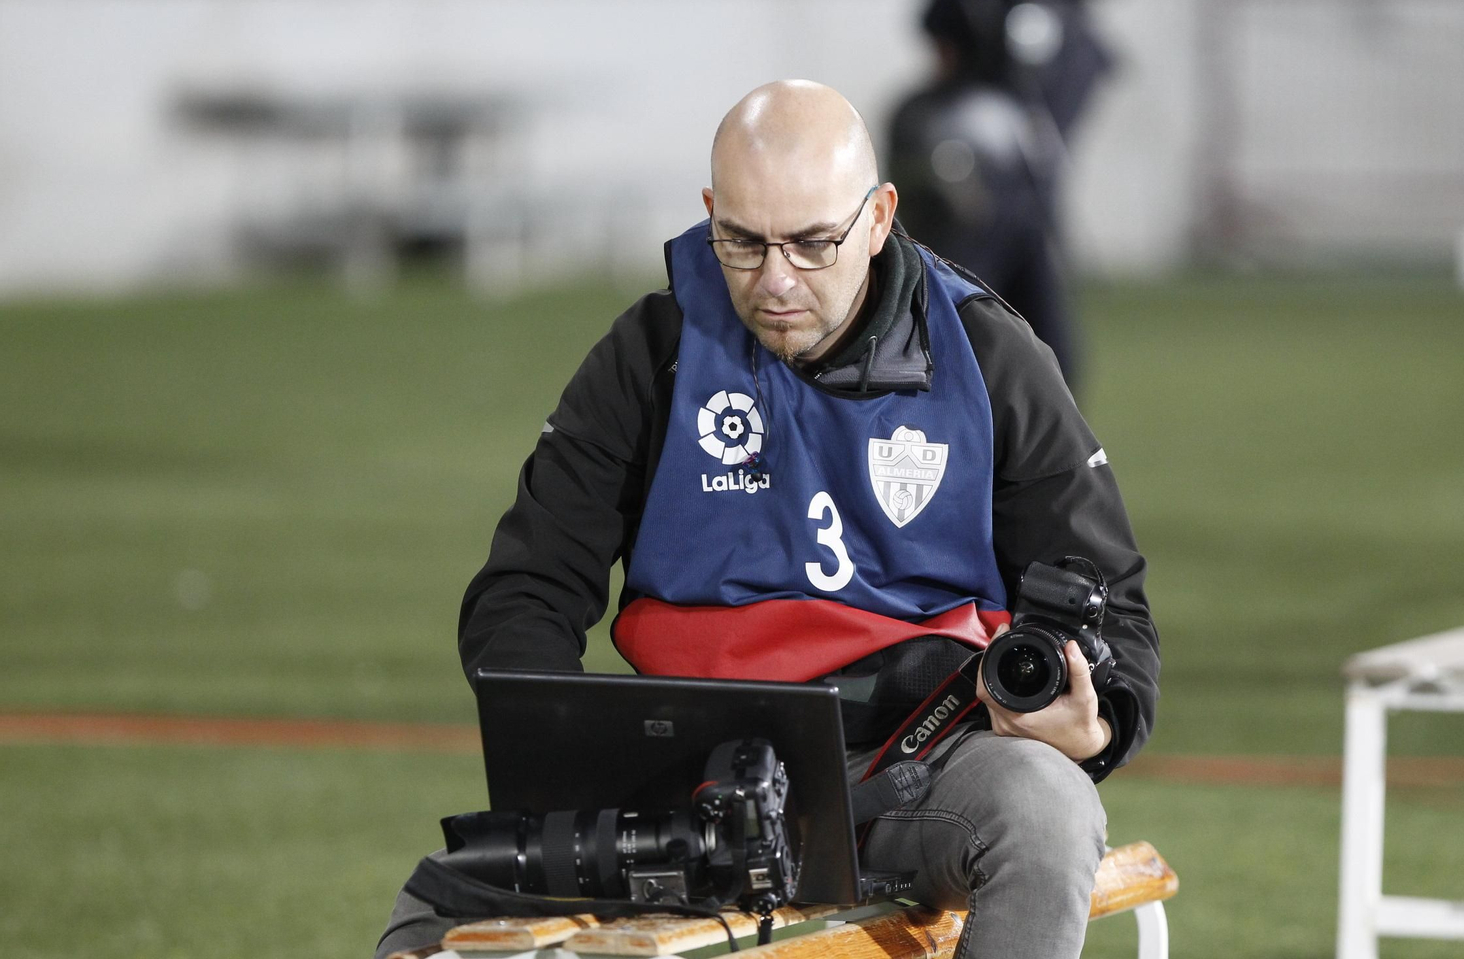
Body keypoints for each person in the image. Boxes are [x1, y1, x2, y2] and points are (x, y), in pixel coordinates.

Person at [375, 81, 1158, 959]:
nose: (775, 278)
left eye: (814, 242)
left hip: (921, 766)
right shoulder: (654, 353)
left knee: (1045, 804)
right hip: (684, 781)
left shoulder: (989, 355)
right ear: (710, 210)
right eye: (742, 242)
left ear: (878, 215)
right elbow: (526, 588)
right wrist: (568, 768)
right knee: (437, 908)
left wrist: (1094, 727)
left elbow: (1114, 607)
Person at [888, 0, 1135, 390]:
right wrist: (949, 23)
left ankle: (1003, 375)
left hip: (1043, 41)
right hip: (981, 46)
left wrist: (1033, 6)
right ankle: (1011, 376)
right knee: (988, 216)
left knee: (1008, 216)